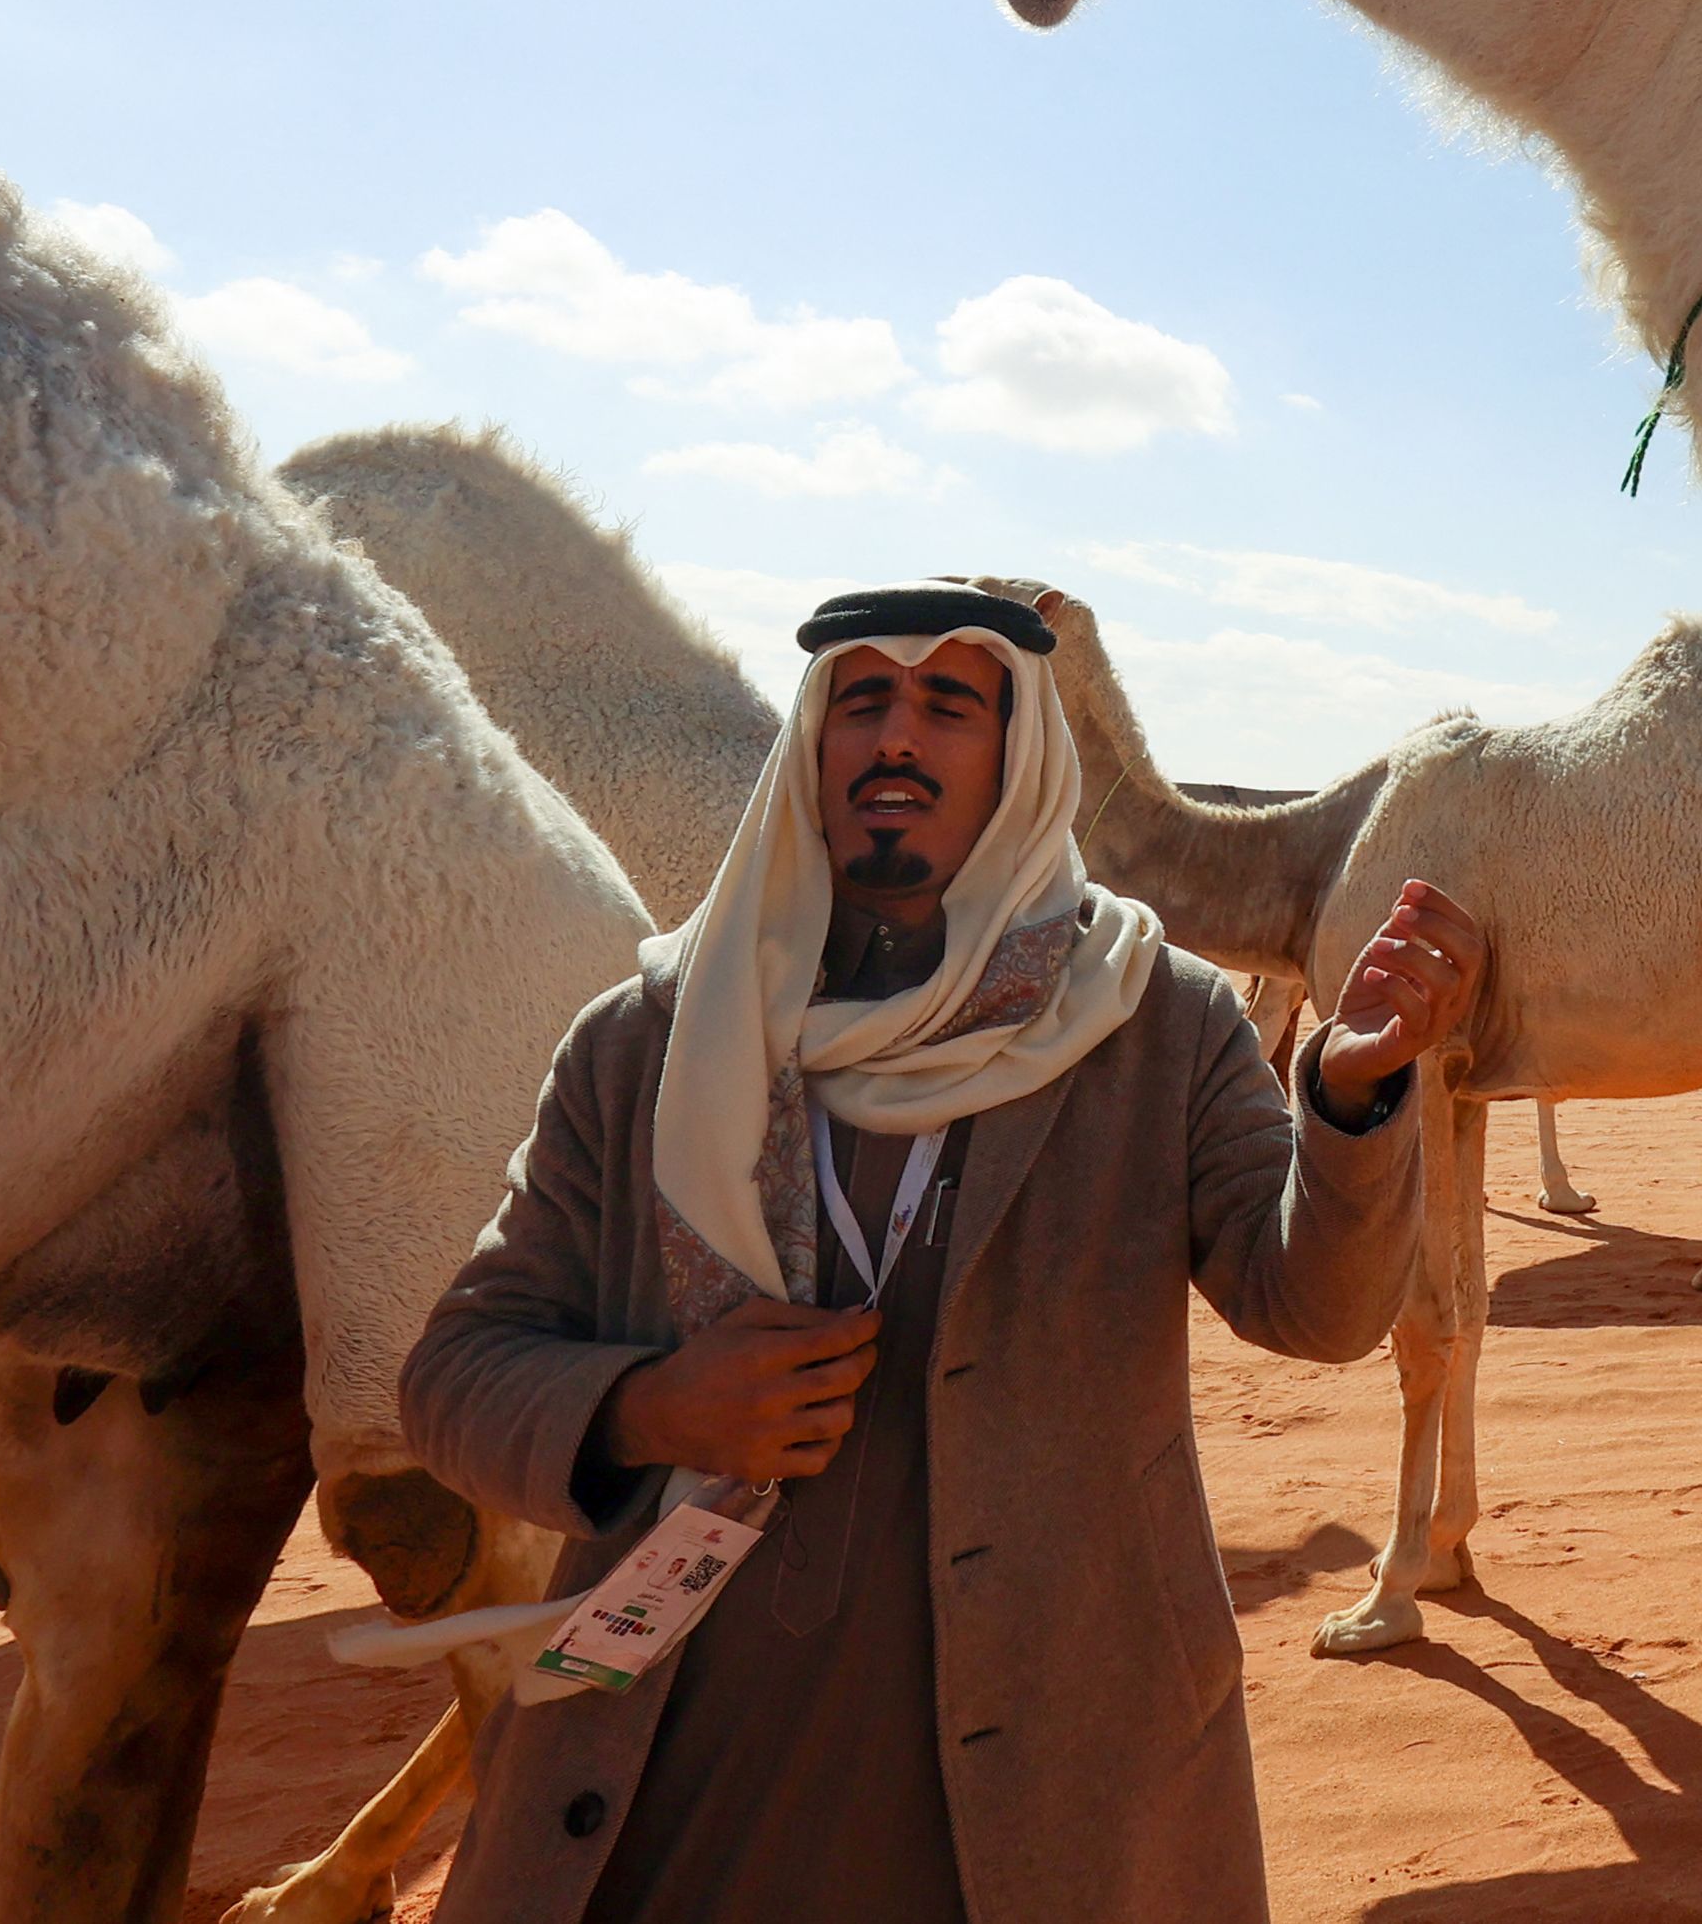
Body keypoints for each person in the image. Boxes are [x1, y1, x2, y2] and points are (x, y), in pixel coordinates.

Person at [401, 579, 1478, 1922]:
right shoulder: (645, 1042)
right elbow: (455, 1372)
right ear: (813, 741)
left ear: (1022, 753)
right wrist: (648, 1405)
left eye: (948, 703)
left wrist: (1356, 1095)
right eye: (862, 700)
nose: (896, 735)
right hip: (680, 1774)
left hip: (1054, 1787)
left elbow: (1313, 1305)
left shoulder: (1154, 1027)